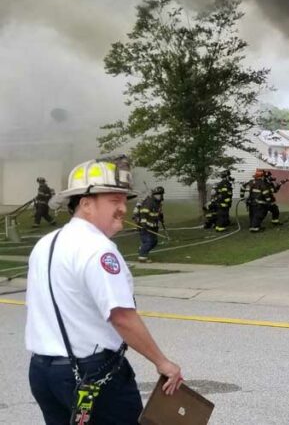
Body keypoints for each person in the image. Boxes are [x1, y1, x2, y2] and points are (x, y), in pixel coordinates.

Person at [25, 156, 183, 424]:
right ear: (86, 204)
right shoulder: (98, 249)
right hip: (90, 373)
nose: (123, 208)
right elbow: (121, 316)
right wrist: (163, 362)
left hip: (43, 373)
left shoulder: (46, 243)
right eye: (113, 200)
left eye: (124, 200)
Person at [133, 186, 164, 263]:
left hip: (153, 227)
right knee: (148, 241)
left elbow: (156, 214)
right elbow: (143, 213)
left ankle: (142, 249)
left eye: (160, 194)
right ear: (153, 195)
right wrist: (143, 224)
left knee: (154, 242)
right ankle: (142, 257)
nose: (159, 196)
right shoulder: (149, 202)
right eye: (157, 194)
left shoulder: (158, 203)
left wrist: (160, 216)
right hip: (145, 226)